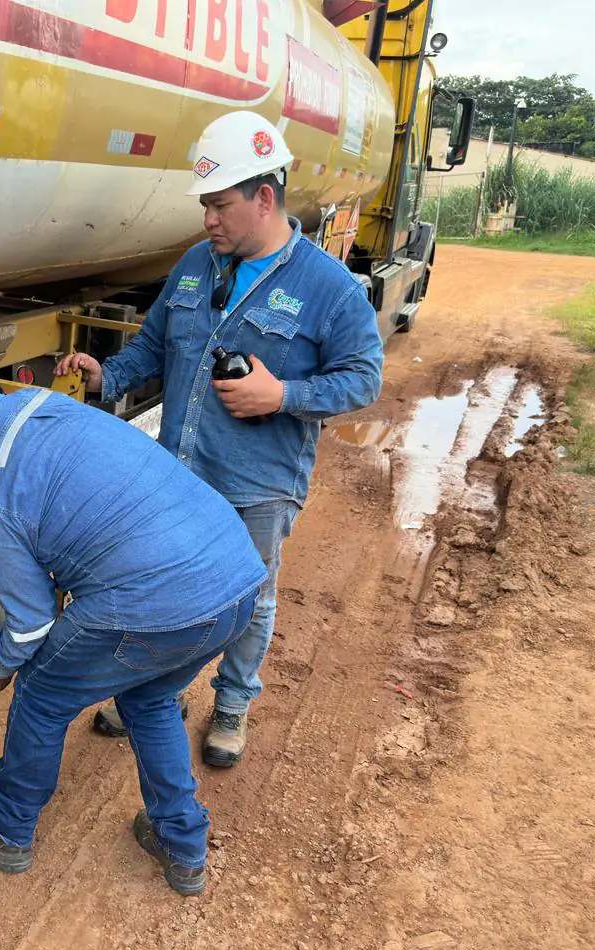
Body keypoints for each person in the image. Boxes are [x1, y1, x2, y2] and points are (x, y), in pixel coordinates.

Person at [55, 110, 384, 767]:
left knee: (248, 598)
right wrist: (104, 374)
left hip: (257, 483)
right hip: (181, 472)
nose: (208, 218)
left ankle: (231, 706)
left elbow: (363, 380)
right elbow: (151, 350)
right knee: (165, 586)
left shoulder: (327, 288)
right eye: (205, 204)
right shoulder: (193, 267)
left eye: (219, 204)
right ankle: (161, 691)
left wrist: (283, 395)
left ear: (264, 198)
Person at [0, 351, 266, 896]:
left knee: (41, 691)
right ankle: (183, 848)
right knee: (148, 696)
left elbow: (31, 618)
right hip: (235, 581)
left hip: (157, 602)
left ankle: (7, 826)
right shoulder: (40, 403)